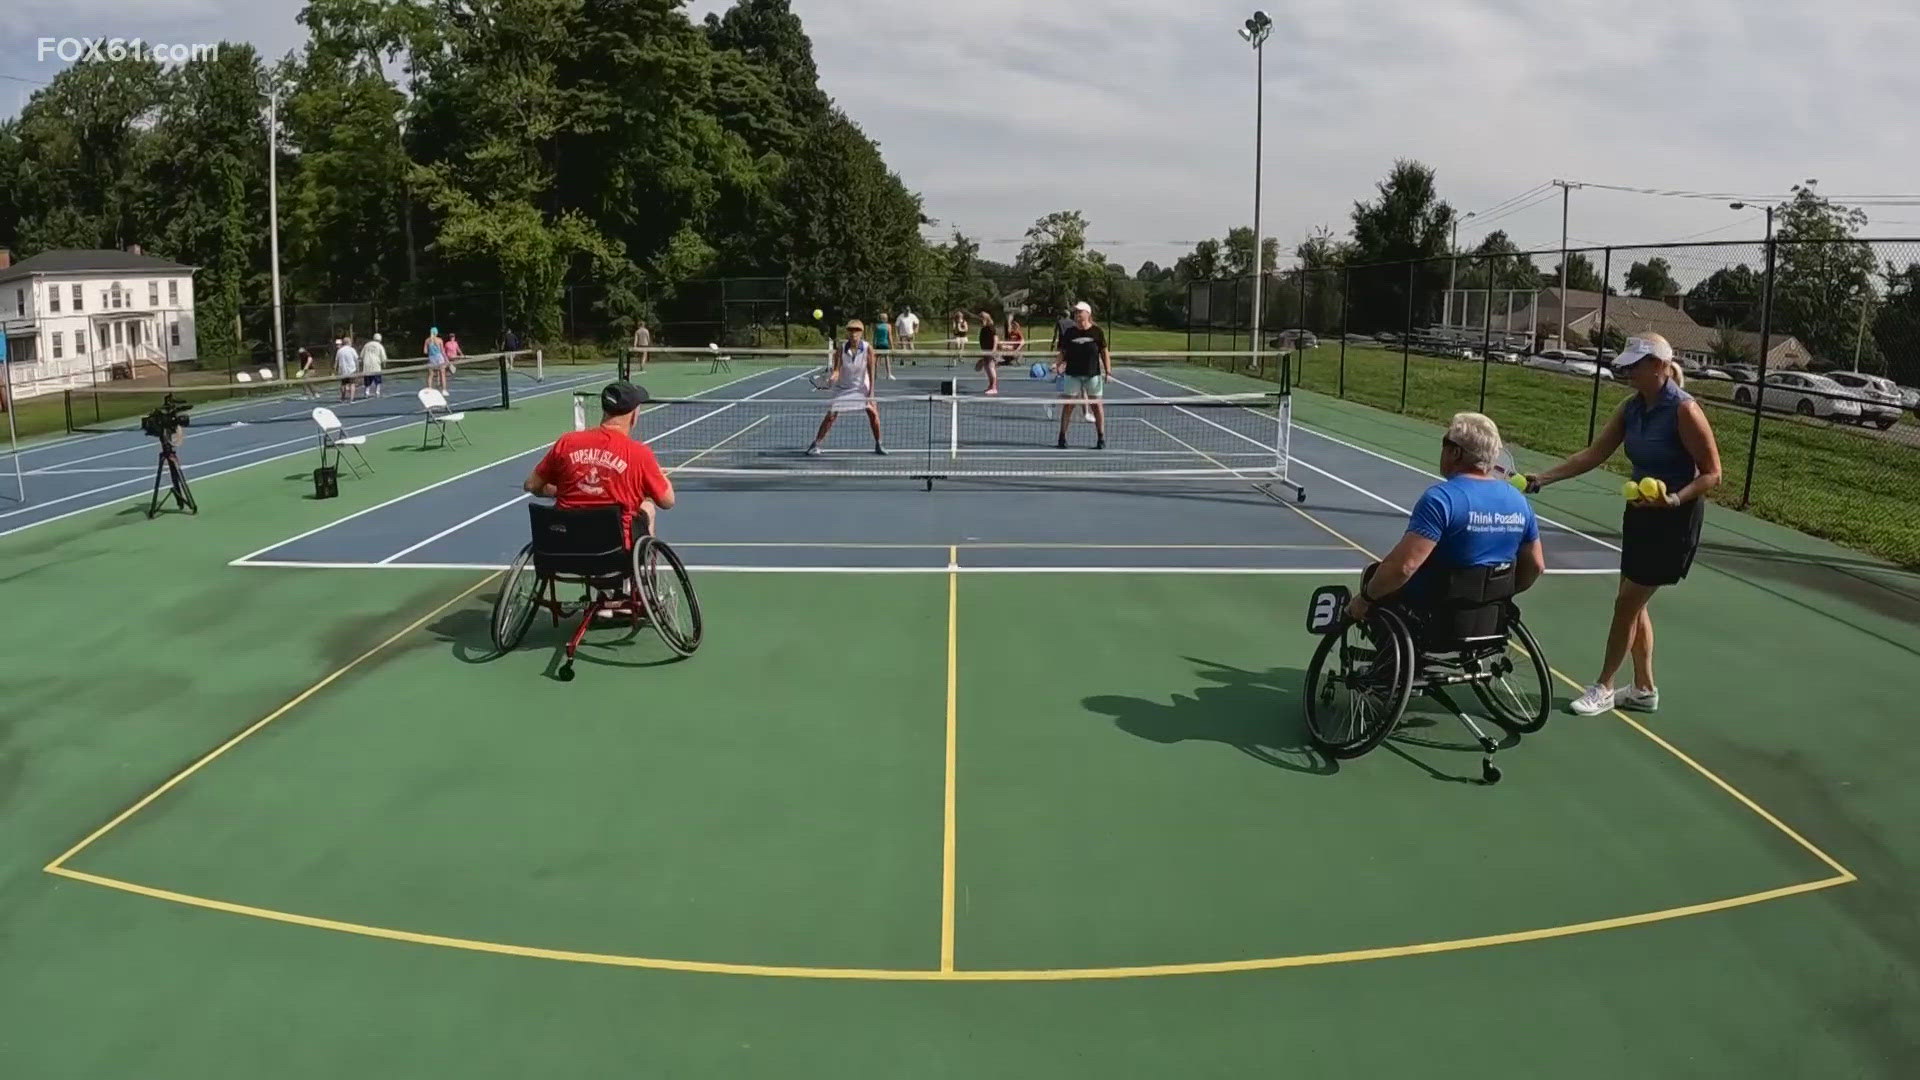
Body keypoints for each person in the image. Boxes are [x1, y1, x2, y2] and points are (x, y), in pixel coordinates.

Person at [1524, 333, 1722, 715]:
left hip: (1675, 519)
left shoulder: (1684, 410)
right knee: (1634, 605)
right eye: (1627, 364)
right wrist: (1543, 478)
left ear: (1660, 367)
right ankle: (1644, 689)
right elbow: (1595, 454)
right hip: (1639, 515)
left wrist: (1674, 498)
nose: (1627, 370)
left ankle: (1604, 687)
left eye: (1636, 364)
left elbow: (1713, 474)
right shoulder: (1630, 408)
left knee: (1626, 603)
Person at [1345, 411, 1546, 625]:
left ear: (1456, 452)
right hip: (1489, 615)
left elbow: (1404, 567)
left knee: (1375, 576)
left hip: (1437, 613)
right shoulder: (1519, 501)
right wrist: (1499, 596)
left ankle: (1386, 657)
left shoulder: (1441, 500)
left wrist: (1364, 599)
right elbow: (1536, 566)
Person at [523, 380, 675, 545]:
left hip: (567, 545)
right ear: (634, 414)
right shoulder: (639, 454)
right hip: (615, 550)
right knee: (648, 507)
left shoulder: (567, 443)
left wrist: (560, 491)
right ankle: (647, 569)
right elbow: (667, 501)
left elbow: (531, 485)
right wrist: (658, 475)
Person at [807, 319, 886, 456]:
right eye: (850, 330)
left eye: (856, 330)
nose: (853, 333)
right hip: (843, 387)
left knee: (873, 413)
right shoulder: (841, 349)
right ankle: (815, 444)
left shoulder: (868, 348)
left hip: (862, 386)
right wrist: (833, 377)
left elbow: (871, 372)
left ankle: (879, 444)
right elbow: (837, 370)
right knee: (831, 415)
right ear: (847, 333)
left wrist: (871, 392)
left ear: (861, 332)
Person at [1054, 302, 1110, 448]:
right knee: (1068, 406)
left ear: (1087, 314)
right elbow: (1063, 352)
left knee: (1097, 407)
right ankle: (1062, 437)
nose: (1077, 314)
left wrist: (1108, 371)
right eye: (1076, 312)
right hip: (1073, 374)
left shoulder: (1097, 332)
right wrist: (1057, 364)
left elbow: (1104, 352)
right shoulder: (1070, 332)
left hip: (1093, 375)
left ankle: (1101, 438)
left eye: (1080, 312)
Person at [974, 310, 1001, 395]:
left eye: (981, 320)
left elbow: (995, 338)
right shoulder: (983, 328)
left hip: (990, 351)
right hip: (985, 351)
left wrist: (993, 350)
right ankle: (990, 385)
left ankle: (994, 387)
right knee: (987, 368)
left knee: (991, 367)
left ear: (985, 319)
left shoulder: (990, 327)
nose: (980, 321)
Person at [333, 337, 360, 402]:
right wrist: (358, 368)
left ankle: (342, 398)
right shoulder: (352, 350)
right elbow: (356, 359)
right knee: (352, 384)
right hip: (351, 369)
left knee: (343, 384)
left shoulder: (339, 351)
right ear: (348, 342)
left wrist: (335, 369)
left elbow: (336, 361)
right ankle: (351, 398)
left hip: (343, 370)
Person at [360, 332, 387, 397]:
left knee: (367, 378)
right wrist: (384, 363)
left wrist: (361, 362)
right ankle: (377, 392)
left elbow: (361, 355)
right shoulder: (380, 346)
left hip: (367, 364)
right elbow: (383, 356)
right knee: (377, 379)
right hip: (376, 364)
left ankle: (367, 392)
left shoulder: (367, 345)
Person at [424, 327, 448, 393]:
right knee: (442, 374)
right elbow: (442, 351)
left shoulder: (427, 340)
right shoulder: (439, 340)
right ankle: (444, 390)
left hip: (431, 358)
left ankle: (429, 388)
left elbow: (425, 351)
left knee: (430, 375)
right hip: (439, 358)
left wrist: (430, 350)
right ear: (436, 333)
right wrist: (446, 359)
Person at [873, 312, 894, 380]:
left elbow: (874, 337)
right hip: (885, 344)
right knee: (887, 359)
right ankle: (889, 374)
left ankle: (875, 374)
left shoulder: (877, 326)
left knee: (876, 360)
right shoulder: (888, 326)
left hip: (878, 344)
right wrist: (892, 346)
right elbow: (889, 336)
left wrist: (874, 345)